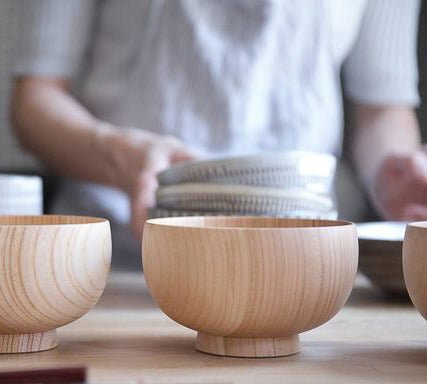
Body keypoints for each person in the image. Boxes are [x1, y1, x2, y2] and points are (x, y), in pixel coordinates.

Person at [10, 0, 423, 269]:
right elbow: (34, 102)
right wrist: (120, 157)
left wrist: (396, 173)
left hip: (305, 264)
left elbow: (382, 108)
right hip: (108, 260)